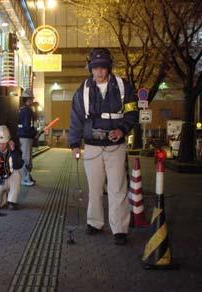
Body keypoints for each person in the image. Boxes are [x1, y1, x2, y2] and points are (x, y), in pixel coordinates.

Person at [69, 48, 139, 245]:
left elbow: (132, 112)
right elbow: (75, 118)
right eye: (95, 68)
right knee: (94, 188)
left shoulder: (123, 87)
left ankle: (120, 229)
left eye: (103, 68)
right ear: (90, 69)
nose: (99, 72)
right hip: (91, 147)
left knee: (117, 187)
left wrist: (123, 130)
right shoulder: (82, 90)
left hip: (115, 146)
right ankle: (95, 222)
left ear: (109, 68)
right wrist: (74, 144)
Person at [0, 125, 23, 210]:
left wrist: (14, 151)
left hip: (10, 179)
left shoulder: (14, 149)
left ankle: (12, 201)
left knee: (17, 174)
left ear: (8, 141)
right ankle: (4, 197)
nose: (1, 146)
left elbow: (19, 165)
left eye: (4, 143)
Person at [18, 89, 37, 186]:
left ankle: (27, 176)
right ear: (28, 99)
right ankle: (24, 178)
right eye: (31, 98)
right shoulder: (27, 111)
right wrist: (35, 132)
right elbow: (27, 125)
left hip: (24, 136)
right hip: (26, 136)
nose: (32, 100)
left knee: (27, 157)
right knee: (26, 158)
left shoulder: (23, 110)